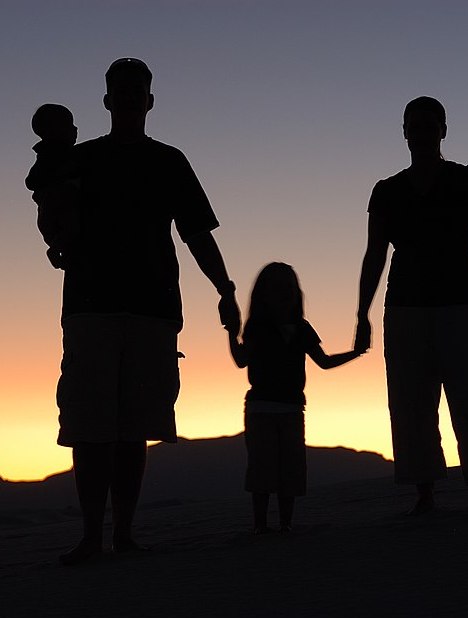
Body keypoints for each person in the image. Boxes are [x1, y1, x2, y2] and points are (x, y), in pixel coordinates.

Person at [50, 58, 240, 565]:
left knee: (134, 426)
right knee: (92, 426)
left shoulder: (169, 161)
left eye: (139, 91)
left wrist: (225, 287)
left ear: (149, 101)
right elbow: (56, 220)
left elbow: (197, 232)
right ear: (108, 100)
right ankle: (94, 535)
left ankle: (122, 535)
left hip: (152, 307)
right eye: (122, 90)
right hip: (91, 306)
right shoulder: (79, 160)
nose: (131, 98)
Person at [354, 96, 468, 514]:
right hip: (406, 308)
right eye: (416, 126)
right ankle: (424, 492)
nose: (423, 133)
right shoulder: (387, 191)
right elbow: (375, 253)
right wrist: (362, 314)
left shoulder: (466, 180)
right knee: (411, 401)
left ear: (443, 130)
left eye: (431, 126)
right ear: (405, 132)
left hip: (460, 303)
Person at [226, 262, 363, 533]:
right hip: (263, 408)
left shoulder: (300, 328)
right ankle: (262, 526)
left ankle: (284, 524)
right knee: (265, 468)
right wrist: (232, 332)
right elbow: (242, 360)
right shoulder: (259, 327)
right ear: (264, 294)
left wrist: (355, 352)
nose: (284, 294)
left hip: (290, 409)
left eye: (288, 288)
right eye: (278, 289)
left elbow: (323, 362)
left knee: (288, 468)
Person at [25, 103, 80, 269]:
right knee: (71, 226)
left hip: (57, 212)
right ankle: (57, 248)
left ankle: (59, 248)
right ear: (53, 131)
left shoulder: (66, 155)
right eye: (69, 125)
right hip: (55, 210)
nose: (75, 129)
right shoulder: (50, 155)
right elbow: (31, 181)